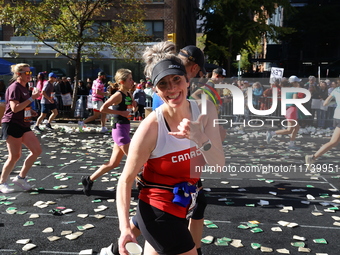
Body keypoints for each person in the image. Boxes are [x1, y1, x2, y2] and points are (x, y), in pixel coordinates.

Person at [116, 48, 224, 255]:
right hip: (158, 209)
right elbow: (125, 180)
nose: (172, 88)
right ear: (156, 91)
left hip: (184, 204)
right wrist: (125, 229)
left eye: (177, 79)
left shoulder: (206, 110)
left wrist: (199, 137)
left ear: (188, 81)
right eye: (163, 83)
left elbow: (218, 164)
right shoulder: (151, 127)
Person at [81, 69, 135, 196]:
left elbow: (130, 109)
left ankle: (88, 180)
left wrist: (133, 105)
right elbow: (102, 108)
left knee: (113, 163)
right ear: (122, 82)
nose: (133, 81)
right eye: (130, 79)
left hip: (125, 128)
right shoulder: (118, 94)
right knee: (135, 159)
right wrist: (121, 113)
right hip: (119, 130)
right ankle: (143, 185)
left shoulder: (129, 93)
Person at [0, 63, 42, 194]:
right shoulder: (14, 87)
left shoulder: (25, 87)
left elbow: (23, 107)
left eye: (30, 73)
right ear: (19, 74)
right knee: (14, 156)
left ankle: (21, 178)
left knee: (36, 151)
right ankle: (2, 183)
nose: (30, 75)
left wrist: (31, 111)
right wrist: (32, 98)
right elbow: (15, 108)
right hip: (12, 123)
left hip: (23, 124)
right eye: (27, 73)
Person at [305, 85, 340, 168]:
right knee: (333, 141)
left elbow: (325, 103)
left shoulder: (336, 90)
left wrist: (336, 101)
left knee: (334, 142)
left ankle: (313, 157)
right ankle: (312, 157)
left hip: (337, 116)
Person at [266, 75, 301, 150]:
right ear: (294, 83)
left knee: (297, 128)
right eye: (297, 82)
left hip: (288, 109)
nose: (299, 84)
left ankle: (292, 144)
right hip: (292, 109)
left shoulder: (286, 90)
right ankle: (272, 133)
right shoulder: (294, 89)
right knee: (289, 130)